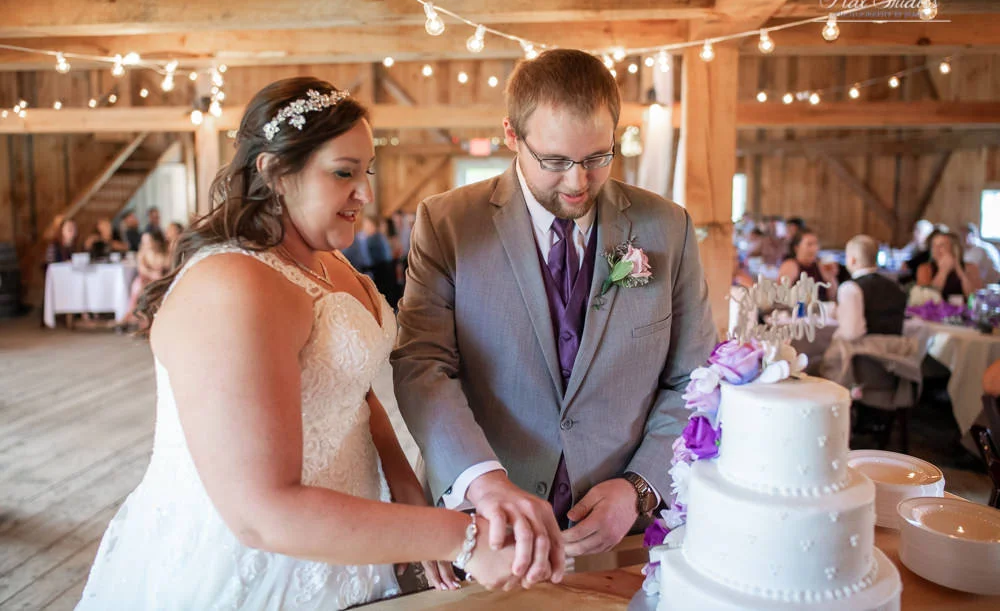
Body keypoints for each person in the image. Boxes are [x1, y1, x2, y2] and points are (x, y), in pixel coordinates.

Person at [77, 78, 533, 610]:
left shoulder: (325, 262)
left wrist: (406, 489)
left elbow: (351, 389)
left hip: (347, 540)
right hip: (255, 566)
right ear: (275, 171)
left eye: (366, 172)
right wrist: (462, 539)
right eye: (343, 173)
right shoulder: (232, 287)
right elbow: (260, 514)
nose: (365, 194)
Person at [392, 50, 717, 571]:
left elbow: (692, 380)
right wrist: (482, 481)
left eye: (597, 158)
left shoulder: (667, 227)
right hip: (486, 532)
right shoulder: (448, 224)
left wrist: (638, 487)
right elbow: (422, 367)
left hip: (623, 537)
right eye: (555, 161)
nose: (577, 182)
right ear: (512, 134)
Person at [834, 235, 907, 342]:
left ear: (852, 260)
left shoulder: (850, 288)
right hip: (896, 350)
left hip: (863, 350)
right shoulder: (897, 287)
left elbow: (851, 333)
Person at [118, 229, 169, 330]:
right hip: (146, 279)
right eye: (144, 242)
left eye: (148, 241)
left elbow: (167, 266)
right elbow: (142, 269)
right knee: (138, 287)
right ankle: (130, 316)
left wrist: (159, 275)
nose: (146, 244)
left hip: (161, 279)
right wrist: (152, 274)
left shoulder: (164, 253)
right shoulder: (143, 253)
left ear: (155, 241)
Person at [916, 230, 983, 302]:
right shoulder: (925, 269)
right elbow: (926, 300)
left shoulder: (971, 267)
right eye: (934, 246)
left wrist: (960, 271)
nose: (936, 249)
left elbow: (975, 298)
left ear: (953, 248)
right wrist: (943, 272)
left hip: (964, 308)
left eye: (941, 245)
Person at [778, 229, 838, 301]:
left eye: (816, 244)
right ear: (797, 248)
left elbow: (832, 297)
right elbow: (781, 295)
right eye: (809, 244)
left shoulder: (820, 266)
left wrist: (830, 277)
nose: (815, 248)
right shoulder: (791, 265)